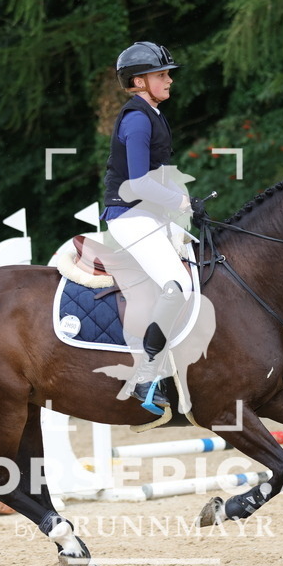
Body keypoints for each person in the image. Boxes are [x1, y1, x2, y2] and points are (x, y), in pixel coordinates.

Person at [101, 41, 201, 412]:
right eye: (162, 74)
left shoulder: (153, 114)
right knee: (178, 286)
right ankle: (145, 374)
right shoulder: (137, 119)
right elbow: (139, 185)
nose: (169, 80)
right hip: (128, 216)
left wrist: (187, 201)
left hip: (150, 216)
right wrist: (179, 201)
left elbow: (156, 176)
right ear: (140, 81)